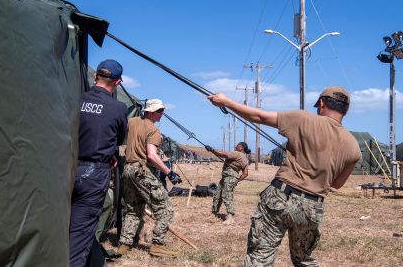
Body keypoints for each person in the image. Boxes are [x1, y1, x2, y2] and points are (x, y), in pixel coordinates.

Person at [208, 86, 361, 266]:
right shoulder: (354, 147)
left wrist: (226, 102)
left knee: (260, 258)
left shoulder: (303, 119)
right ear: (347, 110)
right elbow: (337, 184)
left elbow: (259, 117)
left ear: (321, 103)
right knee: (303, 260)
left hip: (280, 197)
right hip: (311, 207)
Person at [69, 59, 128, 266]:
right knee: (80, 235)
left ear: (95, 76)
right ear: (118, 83)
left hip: (64, 168)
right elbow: (117, 140)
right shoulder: (119, 108)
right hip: (94, 174)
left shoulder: (75, 100)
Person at [117, 99, 182, 257]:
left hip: (127, 170)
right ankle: (157, 245)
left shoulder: (131, 122)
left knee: (133, 209)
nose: (162, 114)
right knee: (166, 209)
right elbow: (152, 156)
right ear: (150, 111)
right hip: (142, 171)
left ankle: (124, 245)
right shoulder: (153, 130)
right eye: (159, 111)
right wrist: (169, 173)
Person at [205, 142, 250, 225]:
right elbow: (245, 174)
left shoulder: (237, 154)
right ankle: (214, 213)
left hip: (229, 177)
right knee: (217, 194)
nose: (235, 146)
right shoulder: (245, 159)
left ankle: (230, 216)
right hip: (228, 178)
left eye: (238, 145)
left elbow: (223, 154)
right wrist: (237, 180)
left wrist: (212, 150)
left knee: (227, 196)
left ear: (242, 148)